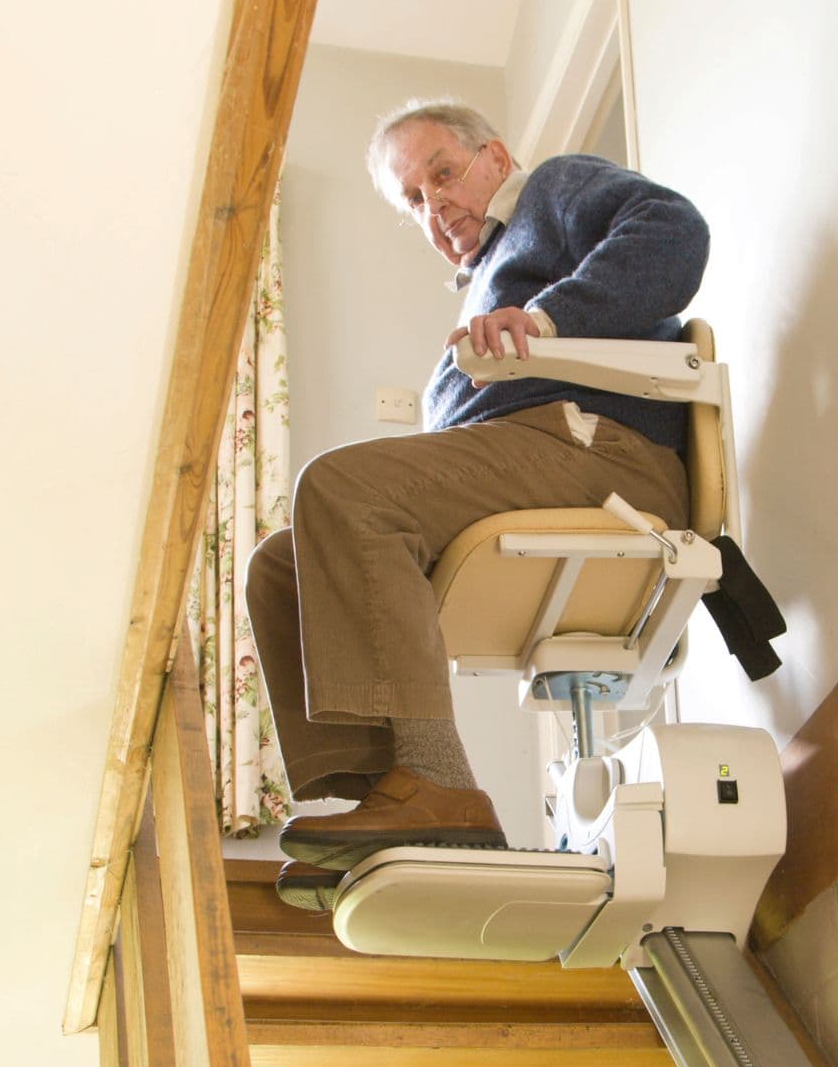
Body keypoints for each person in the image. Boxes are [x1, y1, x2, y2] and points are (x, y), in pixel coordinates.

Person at [246, 100, 709, 910]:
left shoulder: (554, 191)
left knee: (340, 487)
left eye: (443, 174)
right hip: (533, 459)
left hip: (599, 453)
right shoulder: (482, 287)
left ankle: (437, 785)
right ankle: (389, 791)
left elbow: (673, 231)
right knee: (283, 562)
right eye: (414, 203)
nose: (435, 206)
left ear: (494, 158)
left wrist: (543, 318)